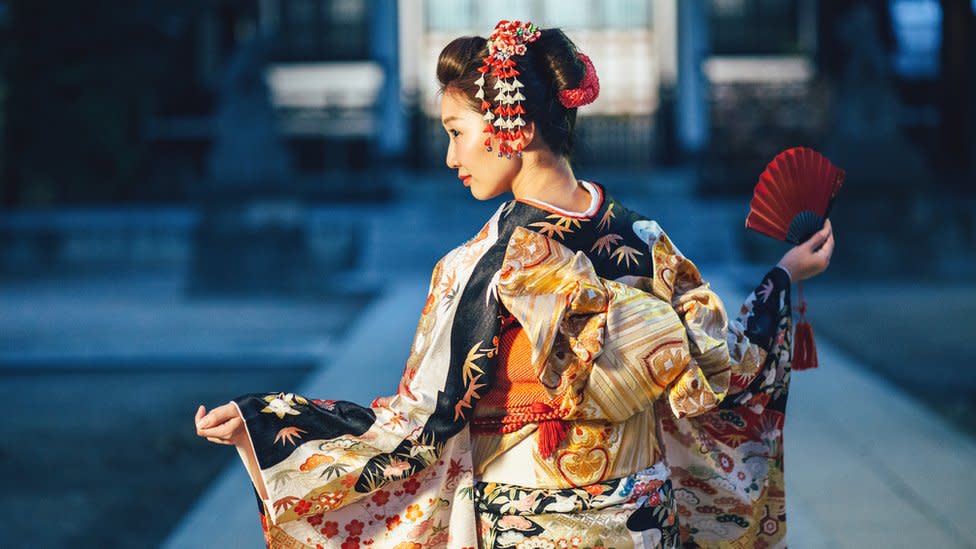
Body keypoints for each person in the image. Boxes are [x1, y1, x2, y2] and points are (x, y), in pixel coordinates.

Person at [195, 20, 835, 549]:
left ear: (514, 129)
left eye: (456, 133)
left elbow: (417, 425)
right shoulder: (644, 238)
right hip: (646, 517)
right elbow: (727, 369)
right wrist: (783, 278)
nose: (451, 157)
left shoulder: (480, 265)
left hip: (532, 523)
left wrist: (272, 423)